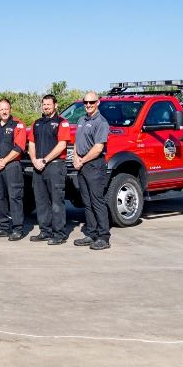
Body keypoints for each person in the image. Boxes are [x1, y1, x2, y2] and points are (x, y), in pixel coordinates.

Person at [28, 94, 71, 245]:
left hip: (55, 166)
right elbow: (31, 144)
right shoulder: (36, 123)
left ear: (55, 105)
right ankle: (45, 231)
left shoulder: (62, 122)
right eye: (44, 104)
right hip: (38, 167)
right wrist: (34, 160)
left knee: (56, 201)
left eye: (49, 104)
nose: (46, 107)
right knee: (41, 201)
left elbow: (62, 145)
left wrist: (45, 160)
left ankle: (59, 234)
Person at [72, 91, 112, 250]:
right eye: (86, 102)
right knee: (87, 202)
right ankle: (91, 233)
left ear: (98, 103)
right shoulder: (82, 120)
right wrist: (75, 157)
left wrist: (82, 160)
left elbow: (98, 148)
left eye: (92, 102)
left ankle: (104, 237)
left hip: (94, 165)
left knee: (97, 201)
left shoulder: (101, 122)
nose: (88, 105)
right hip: (81, 164)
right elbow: (77, 142)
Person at [0, 98, 30, 240]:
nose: (4, 111)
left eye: (6, 109)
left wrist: (4, 161)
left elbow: (19, 148)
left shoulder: (18, 125)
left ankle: (17, 228)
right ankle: (2, 227)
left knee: (15, 197)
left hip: (12, 166)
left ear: (10, 109)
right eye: (1, 109)